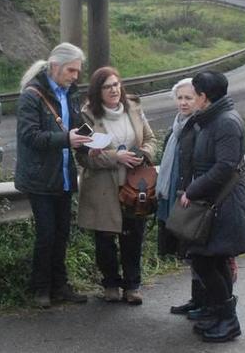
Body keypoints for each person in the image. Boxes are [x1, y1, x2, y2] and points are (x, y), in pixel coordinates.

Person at [15, 42, 93, 308]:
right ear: (56, 67)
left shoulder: (70, 93)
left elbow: (73, 125)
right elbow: (29, 136)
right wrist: (66, 139)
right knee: (46, 234)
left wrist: (91, 137)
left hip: (63, 175)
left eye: (78, 71)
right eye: (71, 70)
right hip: (39, 177)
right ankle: (41, 288)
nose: (75, 76)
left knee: (62, 233)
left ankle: (60, 285)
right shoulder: (32, 96)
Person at [179, 70, 245, 343]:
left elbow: (225, 166)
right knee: (213, 257)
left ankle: (229, 320)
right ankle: (220, 315)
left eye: (194, 93)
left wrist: (193, 190)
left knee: (205, 258)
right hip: (214, 200)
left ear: (203, 97)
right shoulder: (213, 119)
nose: (192, 99)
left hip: (224, 201)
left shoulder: (225, 122)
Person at [75, 67, 156, 305]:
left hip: (135, 185)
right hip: (103, 187)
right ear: (97, 91)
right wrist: (115, 158)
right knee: (105, 239)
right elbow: (83, 157)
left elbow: (151, 139)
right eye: (107, 86)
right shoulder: (87, 116)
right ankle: (110, 283)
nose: (113, 90)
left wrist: (143, 153)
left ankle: (132, 285)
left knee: (133, 236)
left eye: (116, 84)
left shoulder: (134, 108)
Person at [155, 78, 205, 316]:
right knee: (188, 250)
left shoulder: (198, 127)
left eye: (189, 98)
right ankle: (197, 299)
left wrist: (193, 192)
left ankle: (204, 301)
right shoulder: (177, 126)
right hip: (174, 191)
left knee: (195, 248)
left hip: (190, 195)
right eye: (180, 98)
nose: (183, 103)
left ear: (200, 99)